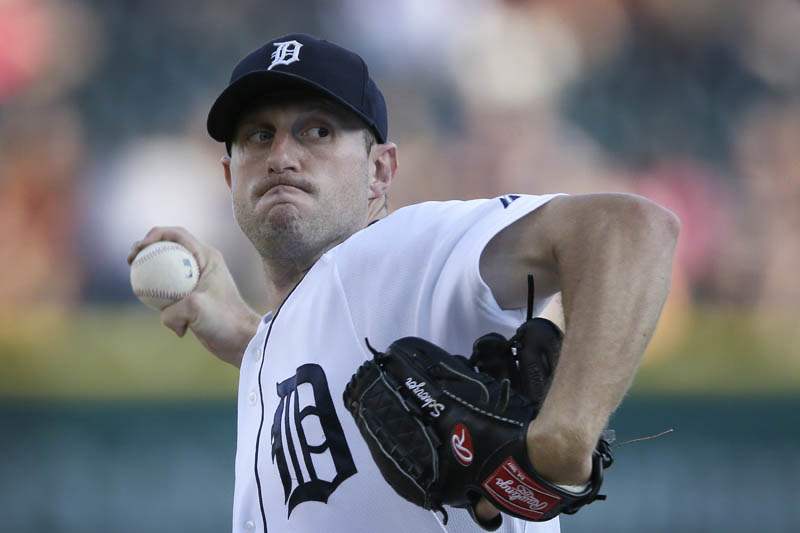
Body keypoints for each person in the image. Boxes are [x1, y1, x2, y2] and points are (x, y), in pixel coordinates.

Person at [128, 33, 679, 533]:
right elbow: (337, 344)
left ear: (380, 171)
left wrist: (565, 436)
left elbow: (630, 228)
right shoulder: (291, 333)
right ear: (230, 176)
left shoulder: (405, 248)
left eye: (317, 131)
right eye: (258, 136)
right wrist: (253, 341)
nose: (282, 156)